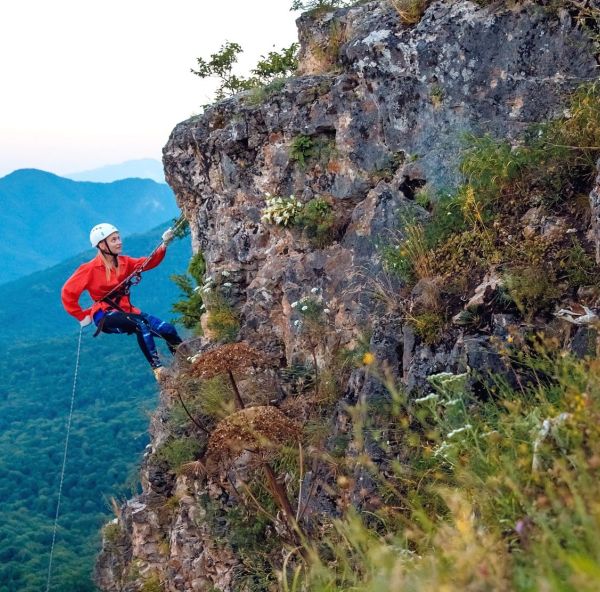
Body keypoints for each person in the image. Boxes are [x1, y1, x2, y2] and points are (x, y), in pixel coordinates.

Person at [61, 223, 182, 380]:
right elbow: (68, 293)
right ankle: (158, 369)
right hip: (104, 315)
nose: (119, 242)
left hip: (128, 311)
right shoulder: (89, 269)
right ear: (102, 244)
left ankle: (186, 362)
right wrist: (82, 315)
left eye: (118, 238)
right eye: (113, 240)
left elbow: (148, 262)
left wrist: (164, 244)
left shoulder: (125, 262)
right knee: (140, 324)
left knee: (168, 330)